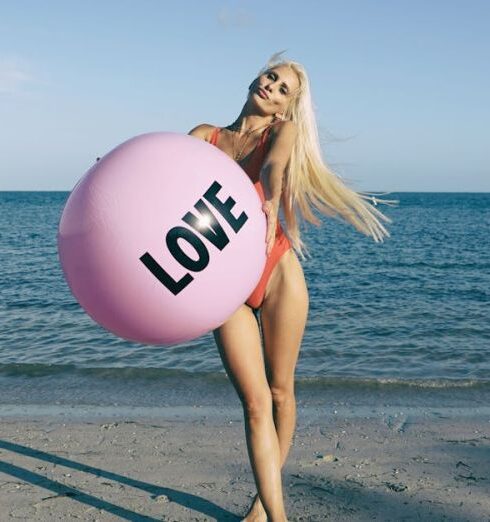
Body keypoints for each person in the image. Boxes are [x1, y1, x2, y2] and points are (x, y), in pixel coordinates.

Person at [188, 51, 397, 522]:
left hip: (276, 271)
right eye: (271, 76)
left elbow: (273, 166)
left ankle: (264, 508)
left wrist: (271, 195)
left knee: (281, 392)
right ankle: (278, 517)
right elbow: (167, 182)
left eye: (284, 89)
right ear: (255, 76)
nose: (272, 87)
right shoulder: (205, 137)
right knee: (256, 403)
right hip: (223, 283)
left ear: (286, 108)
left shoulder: (281, 131)